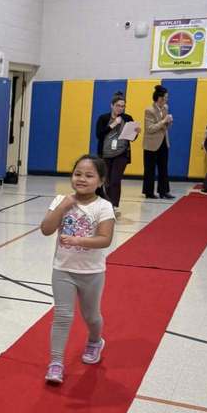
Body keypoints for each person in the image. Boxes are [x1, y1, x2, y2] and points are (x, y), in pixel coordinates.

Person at [40, 155, 115, 385]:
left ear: (101, 181)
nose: (82, 179)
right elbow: (45, 229)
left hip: (92, 272)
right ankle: (56, 363)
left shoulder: (103, 206)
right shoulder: (61, 201)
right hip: (63, 269)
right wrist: (62, 207)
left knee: (91, 316)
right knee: (63, 315)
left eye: (89, 175)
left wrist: (77, 241)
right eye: (78, 174)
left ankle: (95, 341)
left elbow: (105, 239)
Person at [94, 91, 140, 215]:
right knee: (106, 181)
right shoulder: (103, 118)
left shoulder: (127, 118)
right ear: (112, 105)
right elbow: (99, 135)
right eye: (118, 105)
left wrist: (136, 132)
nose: (121, 108)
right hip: (106, 154)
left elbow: (132, 138)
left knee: (115, 180)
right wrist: (113, 124)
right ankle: (106, 204)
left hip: (121, 153)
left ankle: (113, 205)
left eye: (123, 106)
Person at [142, 85, 174, 199]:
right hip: (151, 144)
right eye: (166, 97)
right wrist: (164, 121)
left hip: (164, 141)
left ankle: (164, 191)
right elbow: (150, 128)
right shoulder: (149, 110)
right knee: (149, 169)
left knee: (163, 167)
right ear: (159, 98)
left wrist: (169, 122)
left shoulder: (165, 107)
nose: (167, 99)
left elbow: (165, 127)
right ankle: (149, 192)